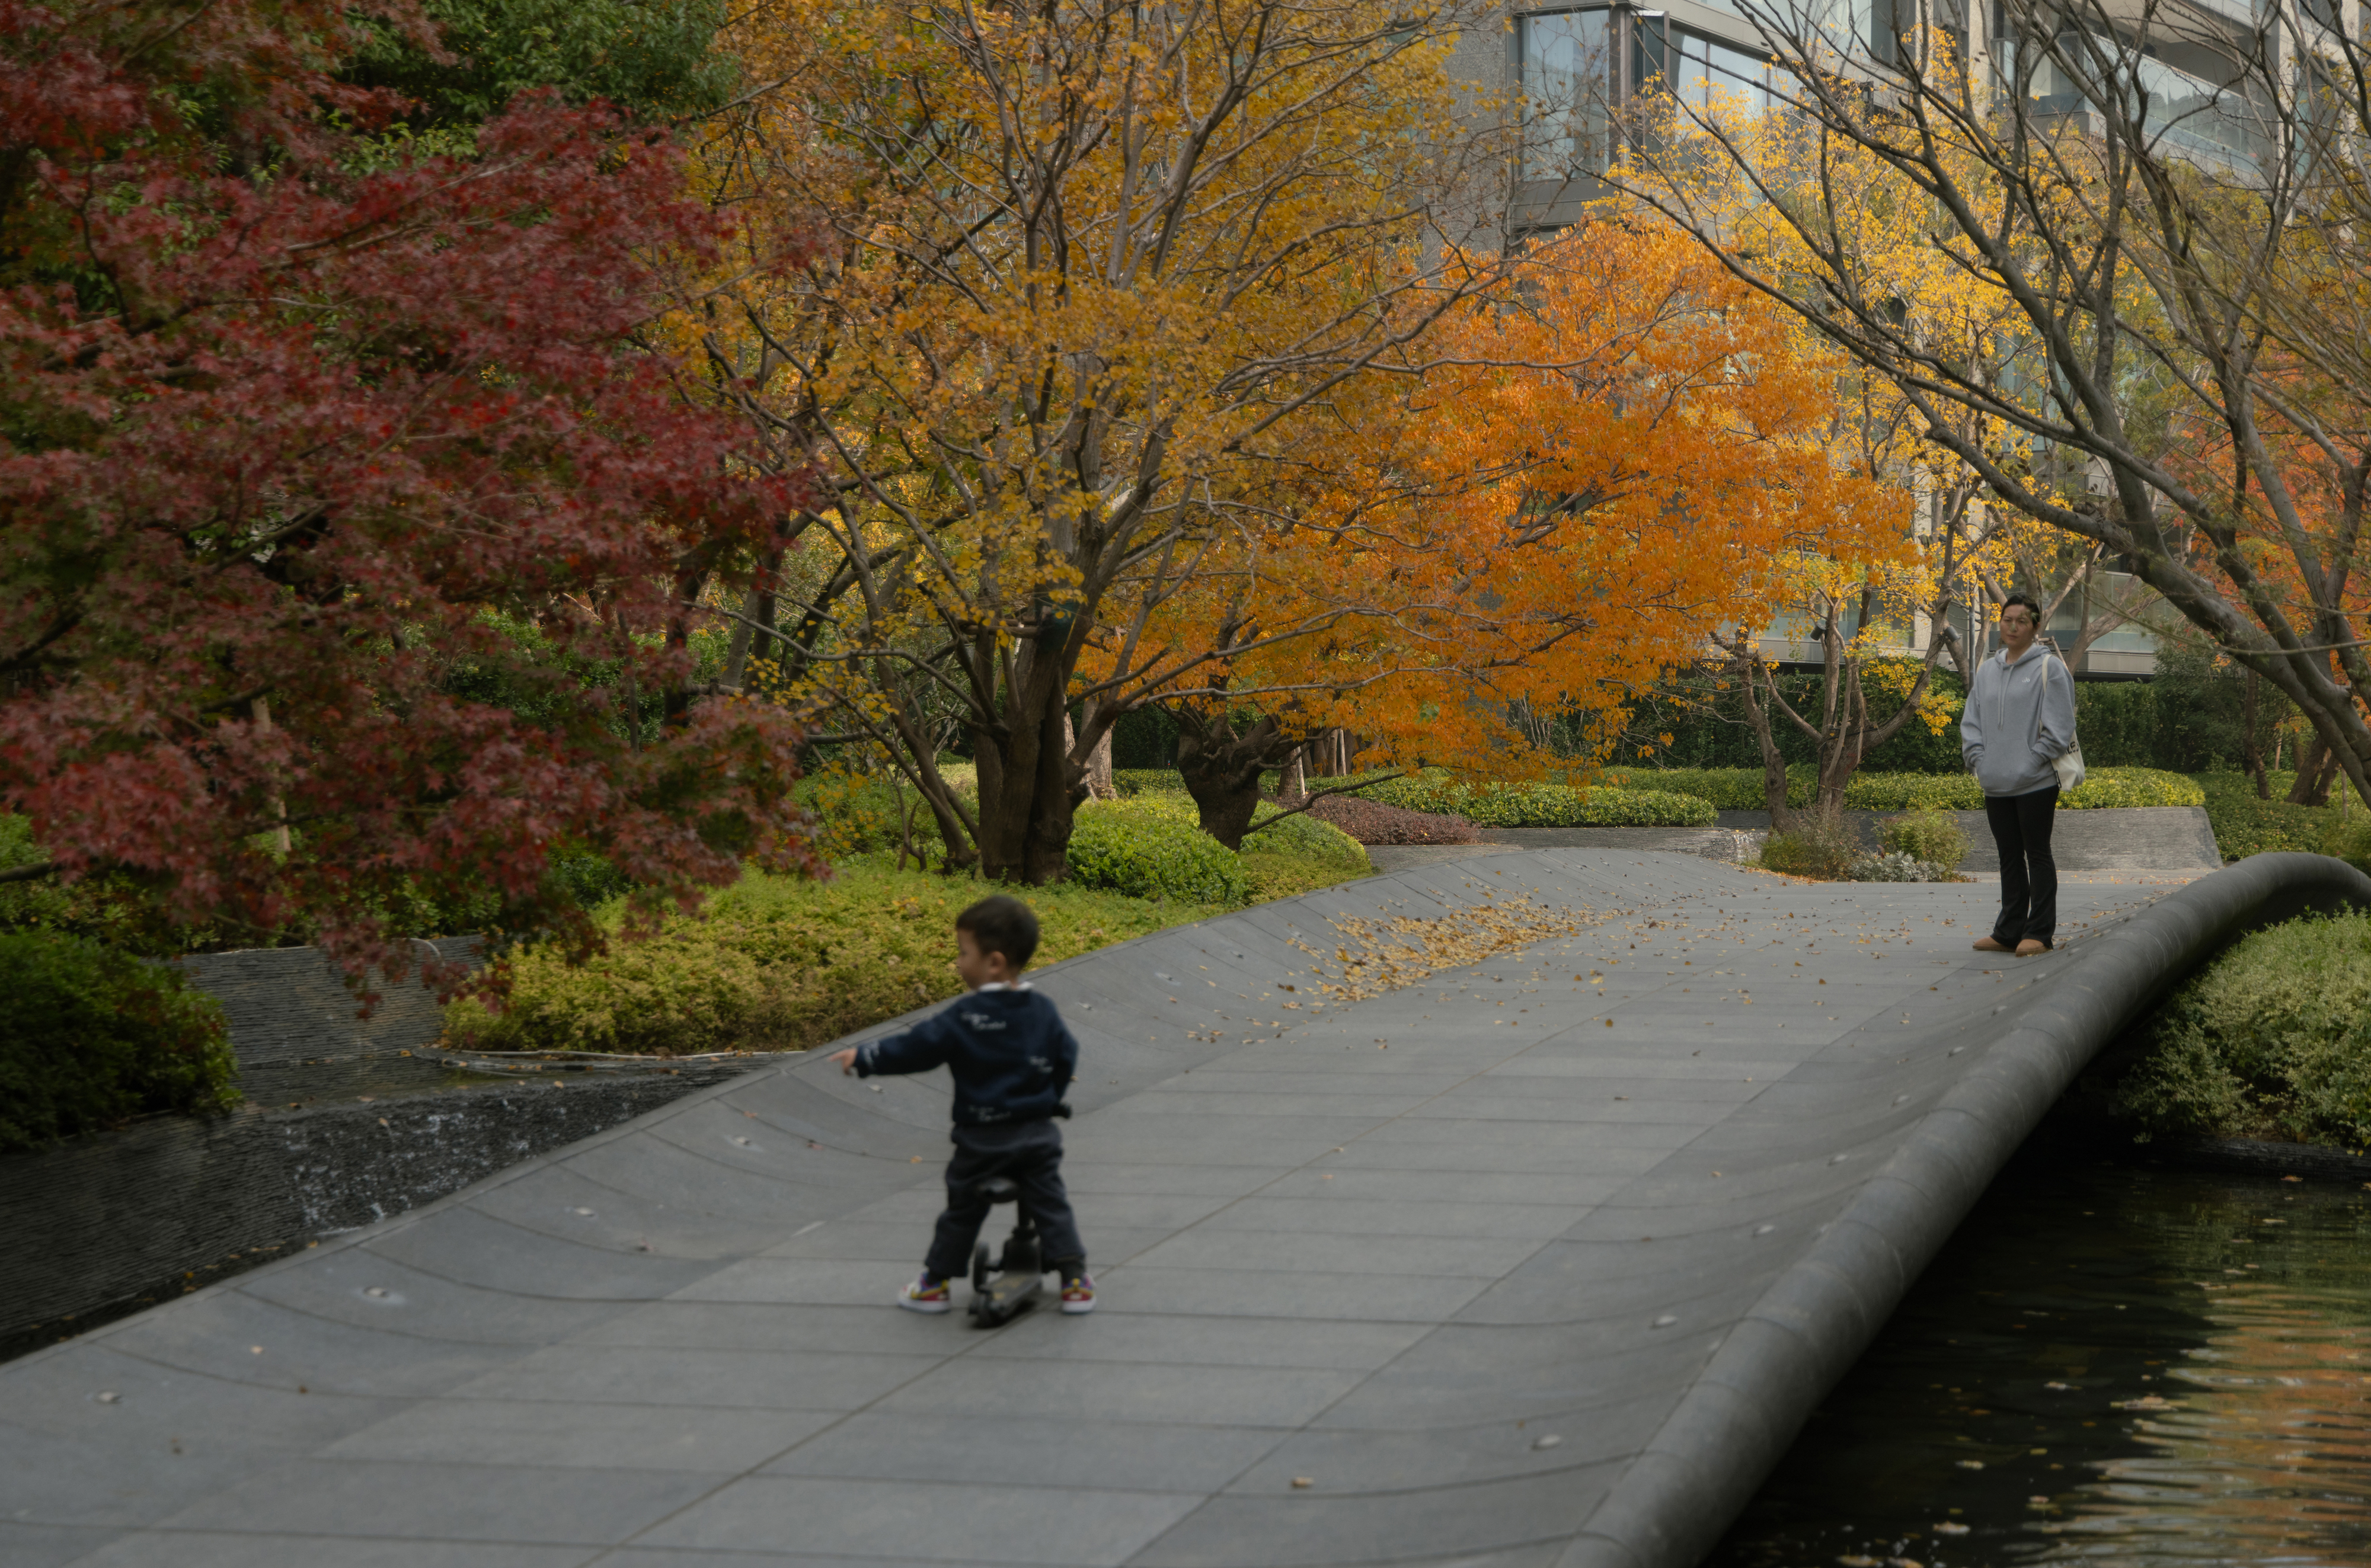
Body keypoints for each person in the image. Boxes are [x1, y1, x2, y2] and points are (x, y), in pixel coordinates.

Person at [827, 894, 1093, 1314]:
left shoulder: (965, 1016)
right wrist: (1048, 1099)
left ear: (994, 963)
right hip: (1035, 1135)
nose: (957, 961)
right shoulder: (1042, 1010)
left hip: (981, 1141)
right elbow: (1066, 1056)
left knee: (962, 1209)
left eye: (963, 952)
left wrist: (864, 1059)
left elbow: (915, 1049)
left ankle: (935, 1285)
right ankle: (1076, 1280)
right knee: (1051, 1201)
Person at [1960, 593, 2079, 956]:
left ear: (2035, 627)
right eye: (2007, 619)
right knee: (2008, 857)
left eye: (2022, 621)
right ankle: (2009, 930)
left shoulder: (2050, 669)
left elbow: (2059, 729)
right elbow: (1973, 721)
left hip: (2035, 784)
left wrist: (2030, 764)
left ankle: (2040, 932)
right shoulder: (1987, 670)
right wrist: (1980, 760)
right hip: (1995, 783)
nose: (2013, 627)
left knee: (2037, 854)